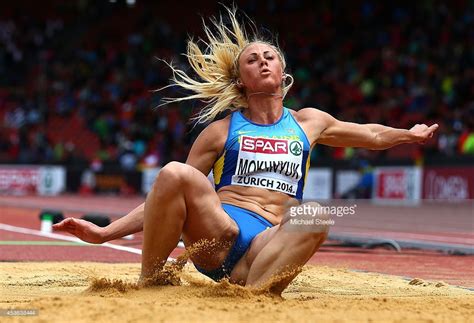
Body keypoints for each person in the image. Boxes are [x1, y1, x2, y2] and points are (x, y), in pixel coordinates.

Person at [53, 8, 438, 294]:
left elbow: (368, 134)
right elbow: (167, 197)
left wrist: (408, 134)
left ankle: (252, 295)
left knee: (317, 214)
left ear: (283, 68)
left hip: (270, 245)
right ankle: (150, 282)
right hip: (220, 235)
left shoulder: (309, 122)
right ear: (241, 79)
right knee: (175, 172)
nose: (262, 61)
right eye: (252, 59)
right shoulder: (221, 131)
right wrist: (106, 233)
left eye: (269, 56)